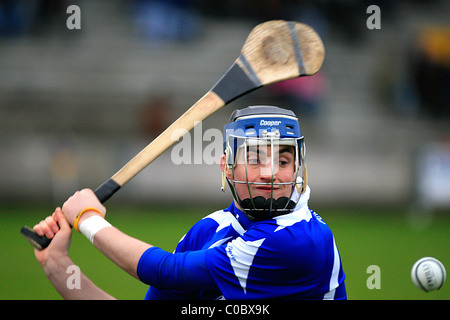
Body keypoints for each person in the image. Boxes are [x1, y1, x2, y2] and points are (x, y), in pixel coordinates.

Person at [32, 105, 346, 300]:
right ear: (226, 166)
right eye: (254, 157)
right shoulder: (208, 231)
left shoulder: (301, 240)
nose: (270, 172)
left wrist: (88, 218)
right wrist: (59, 267)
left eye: (283, 159)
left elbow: (167, 271)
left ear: (297, 169)